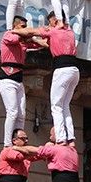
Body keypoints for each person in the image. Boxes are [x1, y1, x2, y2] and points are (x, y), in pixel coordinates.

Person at [0, 15, 46, 146]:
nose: (25, 29)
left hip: (18, 81)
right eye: (23, 27)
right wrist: (29, 34)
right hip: (6, 79)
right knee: (12, 111)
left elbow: (39, 45)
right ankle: (7, 144)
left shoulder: (22, 41)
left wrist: (46, 37)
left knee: (21, 114)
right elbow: (18, 38)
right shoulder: (8, 34)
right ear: (15, 26)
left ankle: (19, 141)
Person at [35, 14, 78, 143]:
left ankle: (60, 138)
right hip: (74, 70)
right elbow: (46, 44)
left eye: (50, 22)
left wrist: (17, 32)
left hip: (62, 69)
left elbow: (33, 32)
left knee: (56, 106)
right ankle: (70, 137)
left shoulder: (54, 31)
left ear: (55, 20)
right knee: (65, 105)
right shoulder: (69, 31)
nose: (49, 24)